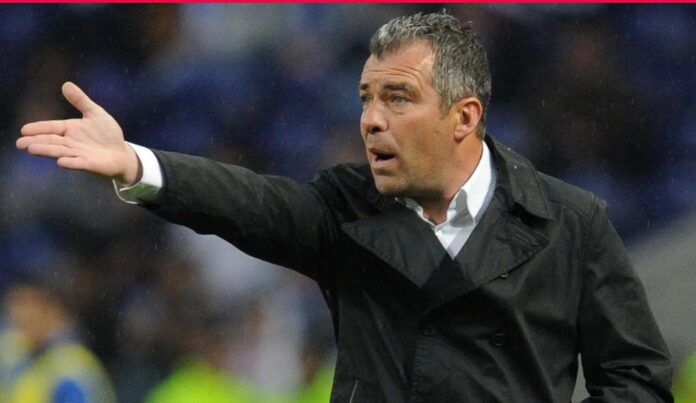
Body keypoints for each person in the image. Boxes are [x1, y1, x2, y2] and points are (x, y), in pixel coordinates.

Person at [16, 11, 672, 402]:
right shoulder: (347, 210)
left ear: (464, 116)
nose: (371, 120)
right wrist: (137, 163)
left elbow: (637, 379)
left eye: (397, 98)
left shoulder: (571, 223)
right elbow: (249, 202)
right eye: (365, 98)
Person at [0, 271, 117, 403]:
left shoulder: (71, 365)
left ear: (53, 309)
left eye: (27, 304)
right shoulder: (22, 358)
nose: (19, 315)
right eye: (13, 306)